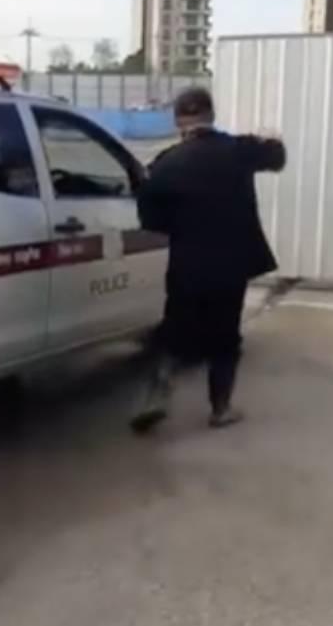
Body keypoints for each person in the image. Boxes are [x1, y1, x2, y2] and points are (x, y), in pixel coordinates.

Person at [131, 87, 287, 433]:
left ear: (177, 121)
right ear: (211, 115)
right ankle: (221, 409)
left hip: (187, 264)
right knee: (225, 338)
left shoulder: (164, 163)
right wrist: (272, 138)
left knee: (174, 332)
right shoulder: (239, 149)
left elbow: (151, 219)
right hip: (231, 265)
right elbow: (277, 158)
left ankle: (158, 391)